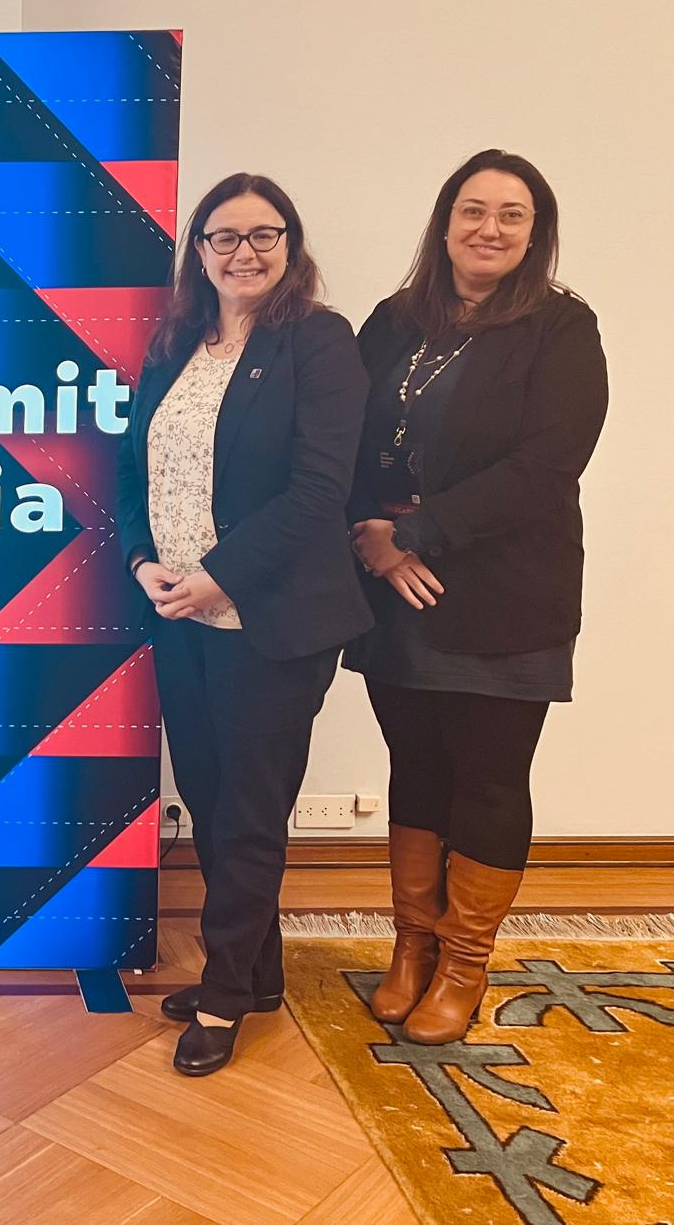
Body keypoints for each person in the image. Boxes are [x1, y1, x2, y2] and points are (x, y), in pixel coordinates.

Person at [346, 150, 608, 1044]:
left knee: (490, 779)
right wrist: (370, 536)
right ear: (445, 222)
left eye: (511, 214)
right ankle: (411, 948)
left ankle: (463, 965)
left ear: (536, 233)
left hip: (507, 595)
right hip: (396, 590)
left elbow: (547, 465)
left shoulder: (560, 328)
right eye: (472, 210)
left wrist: (413, 533)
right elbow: (336, 437)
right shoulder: (393, 322)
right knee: (415, 766)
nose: (488, 229)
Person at [117, 173, 371, 1077]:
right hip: (179, 615)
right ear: (199, 251)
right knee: (211, 798)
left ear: (291, 246)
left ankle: (224, 997)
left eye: (265, 234)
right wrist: (142, 561)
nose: (244, 252)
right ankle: (257, 973)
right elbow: (133, 470)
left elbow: (319, 491)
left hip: (270, 620)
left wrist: (218, 579)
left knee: (251, 812)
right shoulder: (177, 344)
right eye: (224, 237)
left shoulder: (318, 342)